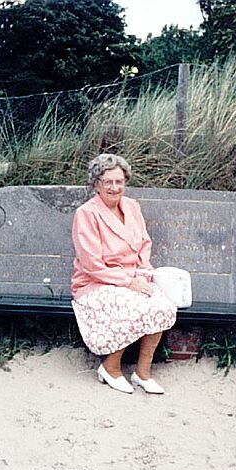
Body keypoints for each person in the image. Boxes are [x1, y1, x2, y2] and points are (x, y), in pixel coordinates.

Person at [71, 154, 177, 394]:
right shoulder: (86, 214)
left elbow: (144, 244)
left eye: (119, 181)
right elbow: (91, 265)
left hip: (133, 279)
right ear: (96, 183)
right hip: (95, 283)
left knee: (162, 305)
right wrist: (127, 282)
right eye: (108, 181)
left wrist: (141, 275)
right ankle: (110, 367)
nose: (114, 187)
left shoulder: (132, 206)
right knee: (135, 308)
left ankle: (143, 374)